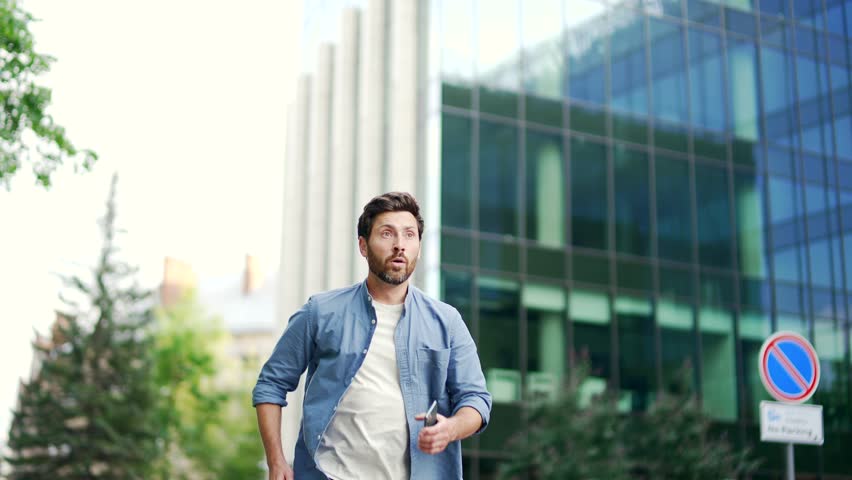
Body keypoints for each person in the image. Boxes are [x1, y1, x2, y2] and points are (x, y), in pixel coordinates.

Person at [253, 192, 492, 480]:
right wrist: (276, 461)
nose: (399, 245)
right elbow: (271, 384)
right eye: (387, 234)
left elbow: (477, 399)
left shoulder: (447, 321)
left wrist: (451, 428)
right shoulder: (321, 311)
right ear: (363, 246)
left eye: (409, 235)